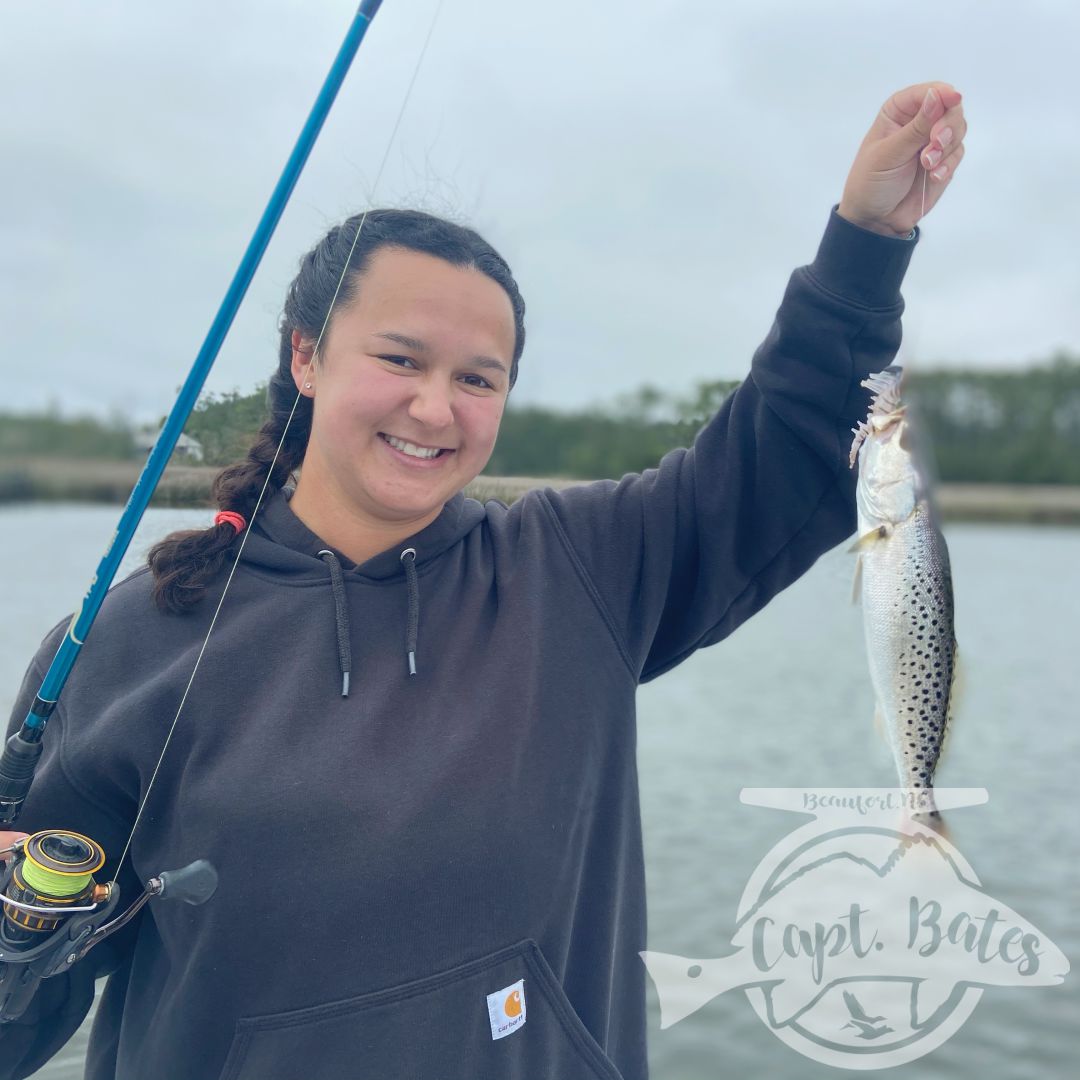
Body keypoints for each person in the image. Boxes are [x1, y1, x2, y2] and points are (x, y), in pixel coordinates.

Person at [2, 81, 965, 1080]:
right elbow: (26, 1012)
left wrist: (868, 234)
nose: (433, 408)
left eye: (477, 378)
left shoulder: (577, 568)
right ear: (306, 355)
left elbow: (785, 446)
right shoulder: (132, 640)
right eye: (400, 358)